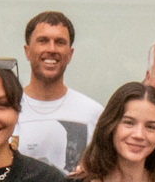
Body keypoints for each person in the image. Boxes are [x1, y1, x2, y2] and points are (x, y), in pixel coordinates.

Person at [15, 11, 103, 172]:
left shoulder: (93, 113)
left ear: (70, 54)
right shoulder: (6, 109)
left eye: (60, 42)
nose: (51, 49)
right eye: (43, 41)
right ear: (27, 51)